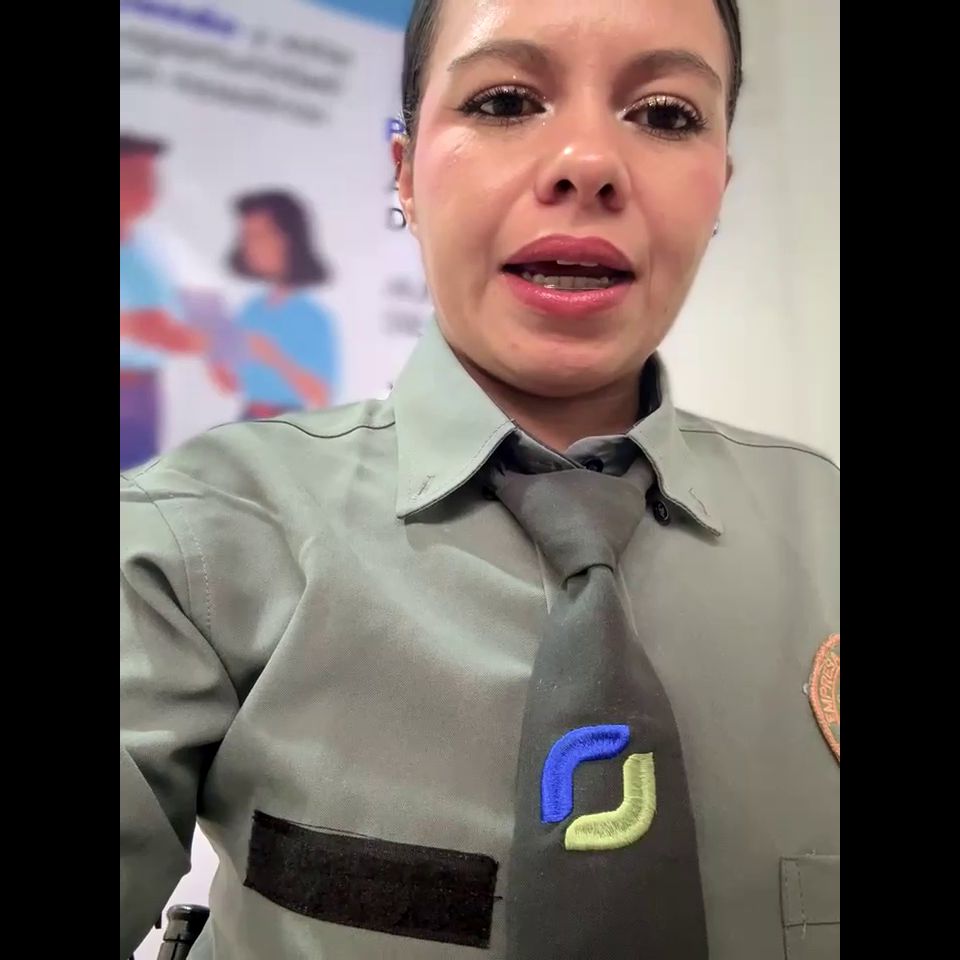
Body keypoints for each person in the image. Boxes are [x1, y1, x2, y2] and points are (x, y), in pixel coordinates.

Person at [120, 1, 839, 958]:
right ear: (406, 174)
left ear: (719, 190)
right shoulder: (195, 539)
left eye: (666, 115)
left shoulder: (828, 530)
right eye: (504, 100)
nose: (588, 162)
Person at [227, 190, 340, 419]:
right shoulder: (252, 310)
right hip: (248, 419)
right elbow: (233, 382)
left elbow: (321, 394)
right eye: (246, 237)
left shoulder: (311, 317)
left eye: (260, 236)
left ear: (289, 239)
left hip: (288, 423)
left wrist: (274, 357)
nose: (251, 247)